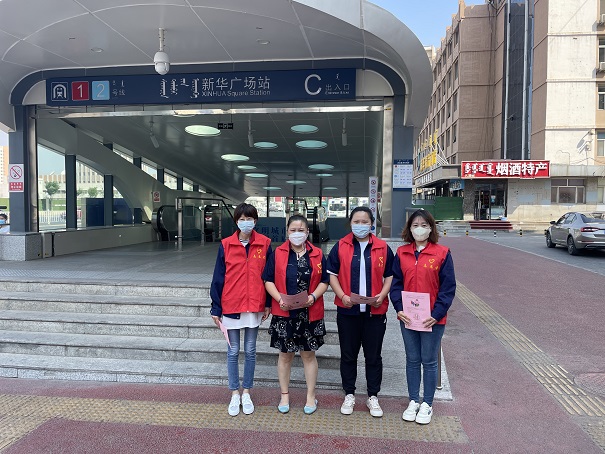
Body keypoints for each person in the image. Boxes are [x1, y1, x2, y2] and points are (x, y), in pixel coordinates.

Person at [327, 207, 394, 418]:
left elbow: (390, 275)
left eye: (365, 222)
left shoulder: (383, 247)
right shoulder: (341, 246)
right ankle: (349, 393)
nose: (361, 225)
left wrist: (383, 295)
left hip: (375, 312)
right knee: (348, 355)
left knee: (373, 356)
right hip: (348, 312)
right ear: (350, 223)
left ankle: (373, 395)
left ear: (372, 224)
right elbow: (332, 275)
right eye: (357, 221)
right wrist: (342, 296)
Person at [390, 209, 456, 425]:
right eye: (415, 225)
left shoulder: (442, 253)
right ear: (409, 228)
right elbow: (396, 284)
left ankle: (427, 403)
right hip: (408, 318)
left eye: (424, 225)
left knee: (429, 361)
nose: (420, 229)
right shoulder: (402, 253)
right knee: (412, 359)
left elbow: (448, 288)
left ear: (431, 228)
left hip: (432, 319)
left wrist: (436, 314)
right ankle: (413, 400)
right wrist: (399, 308)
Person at [263, 214, 329, 415]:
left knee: (308, 355)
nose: (297, 233)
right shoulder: (278, 253)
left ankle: (310, 396)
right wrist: (279, 299)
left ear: (307, 232)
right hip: (284, 313)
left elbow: (325, 281)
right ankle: (284, 395)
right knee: (285, 356)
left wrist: (313, 296)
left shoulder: (317, 254)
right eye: (293, 230)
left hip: (309, 312)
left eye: (301, 230)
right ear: (287, 232)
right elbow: (268, 280)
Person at [210, 203, 272, 417]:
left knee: (251, 350)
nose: (246, 222)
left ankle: (247, 392)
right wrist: (215, 307)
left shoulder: (265, 243)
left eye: (250, 218)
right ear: (236, 221)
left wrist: (268, 303)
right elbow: (218, 277)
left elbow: (269, 276)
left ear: (256, 221)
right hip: (231, 304)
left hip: (254, 304)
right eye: (242, 219)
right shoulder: (226, 244)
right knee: (233, 350)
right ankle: (234, 393)